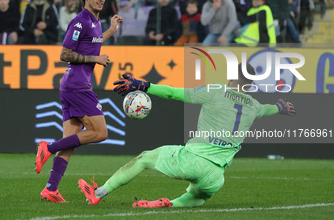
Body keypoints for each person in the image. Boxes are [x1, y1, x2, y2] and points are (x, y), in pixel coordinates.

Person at [78, 65, 296, 207]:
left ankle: (98, 193)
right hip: (216, 176)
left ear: (231, 77)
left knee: (145, 158)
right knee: (199, 196)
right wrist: (279, 107)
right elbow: (267, 109)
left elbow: (173, 93)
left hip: (192, 160)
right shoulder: (254, 106)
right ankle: (169, 204)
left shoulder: (216, 90)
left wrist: (144, 85)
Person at [35, 0, 123, 203]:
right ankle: (48, 147)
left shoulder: (95, 22)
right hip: (77, 85)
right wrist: (95, 59)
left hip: (72, 85)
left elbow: (93, 43)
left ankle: (51, 189)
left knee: (71, 141)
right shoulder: (79, 21)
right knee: (101, 133)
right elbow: (64, 53)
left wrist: (111, 30)